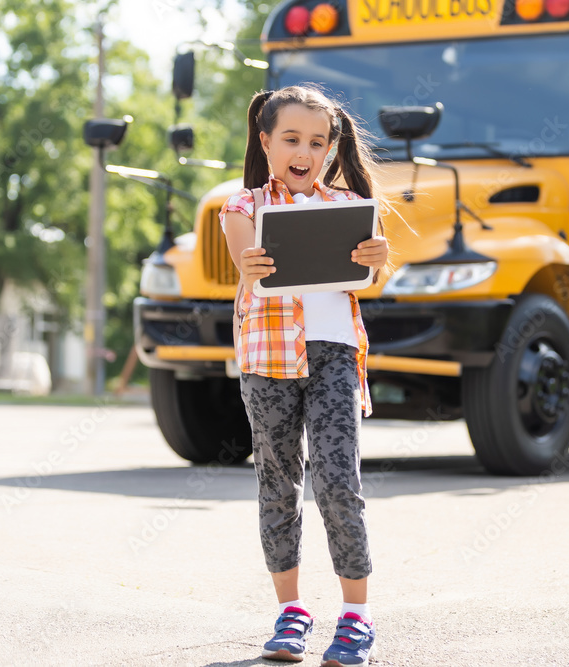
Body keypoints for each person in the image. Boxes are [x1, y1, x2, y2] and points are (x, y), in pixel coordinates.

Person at [219, 85, 388, 667]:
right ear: (266, 142)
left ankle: (356, 616)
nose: (304, 151)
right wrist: (252, 260)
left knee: (339, 481)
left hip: (334, 354)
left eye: (317, 142)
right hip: (267, 358)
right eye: (291, 138)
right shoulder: (242, 208)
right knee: (277, 482)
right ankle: (291, 612)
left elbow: (368, 284)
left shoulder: (348, 207)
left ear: (330, 149)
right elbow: (247, 260)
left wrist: (376, 262)